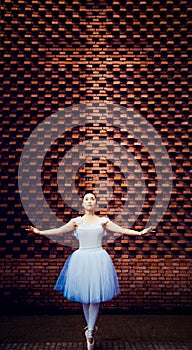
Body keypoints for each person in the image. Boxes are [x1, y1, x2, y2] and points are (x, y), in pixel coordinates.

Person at [26, 192, 154, 350]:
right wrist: (40, 232)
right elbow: (59, 231)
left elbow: (121, 230)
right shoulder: (76, 222)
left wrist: (140, 233)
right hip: (81, 259)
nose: (89, 201)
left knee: (94, 297)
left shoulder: (103, 221)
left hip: (98, 259)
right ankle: (90, 330)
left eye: (92, 199)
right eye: (86, 199)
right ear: (82, 203)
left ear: (95, 203)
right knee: (85, 298)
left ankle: (91, 330)